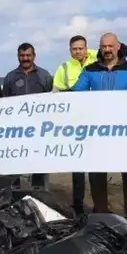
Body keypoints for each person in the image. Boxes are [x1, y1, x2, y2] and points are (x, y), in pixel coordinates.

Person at [70, 32, 127, 226]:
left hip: (125, 132)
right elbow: (75, 93)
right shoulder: (90, 70)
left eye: (110, 46)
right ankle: (102, 216)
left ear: (118, 47)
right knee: (96, 174)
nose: (106, 50)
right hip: (98, 131)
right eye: (103, 46)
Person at [52, 35, 97, 216]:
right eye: (74, 49)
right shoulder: (64, 67)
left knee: (96, 165)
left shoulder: (97, 63)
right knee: (77, 163)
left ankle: (98, 203)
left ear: (86, 48)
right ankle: (78, 203)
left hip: (96, 120)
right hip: (75, 122)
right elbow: (56, 93)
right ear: (70, 50)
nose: (78, 52)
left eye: (81, 48)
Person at [3, 42, 54, 190]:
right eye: (22, 55)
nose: (25, 58)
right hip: (16, 129)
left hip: (39, 128)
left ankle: (39, 193)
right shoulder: (10, 77)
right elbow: (4, 103)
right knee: (14, 163)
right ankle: (13, 193)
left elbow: (52, 102)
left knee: (39, 162)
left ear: (34, 56)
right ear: (18, 56)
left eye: (28, 55)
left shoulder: (44, 76)